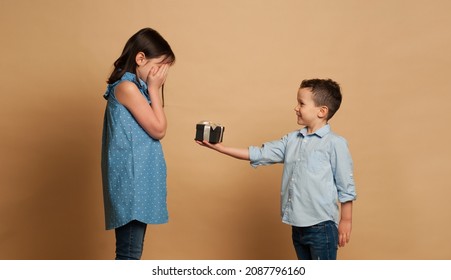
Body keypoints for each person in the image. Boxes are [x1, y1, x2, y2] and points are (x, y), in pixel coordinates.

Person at [196, 79, 356, 260]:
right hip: (297, 226)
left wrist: (346, 220)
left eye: (301, 103)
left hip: (322, 226)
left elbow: (346, 185)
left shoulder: (335, 143)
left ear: (322, 111)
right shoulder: (291, 140)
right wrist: (221, 148)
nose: (296, 107)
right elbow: (259, 153)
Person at [101, 27, 175, 260]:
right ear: (140, 58)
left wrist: (151, 89)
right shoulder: (127, 88)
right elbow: (159, 129)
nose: (162, 74)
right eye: (159, 67)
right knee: (129, 255)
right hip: (131, 187)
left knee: (131, 252)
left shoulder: (137, 89)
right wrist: (154, 88)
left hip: (137, 184)